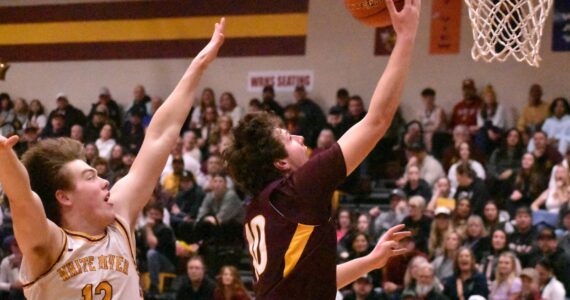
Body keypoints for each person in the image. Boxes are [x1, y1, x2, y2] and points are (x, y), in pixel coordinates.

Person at [0, 19, 226, 299]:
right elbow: (21, 197)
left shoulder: (119, 218)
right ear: (64, 197)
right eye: (90, 177)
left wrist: (198, 66)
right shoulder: (48, 243)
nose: (106, 181)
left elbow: (159, 135)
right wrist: (3, 156)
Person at [223, 2, 420, 298]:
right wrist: (405, 37)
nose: (301, 138)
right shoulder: (297, 189)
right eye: (289, 139)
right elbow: (377, 121)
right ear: (280, 162)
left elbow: (312, 281)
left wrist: (370, 261)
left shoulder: (259, 210)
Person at [143, 203, 176, 295]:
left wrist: (148, 228)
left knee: (151, 253)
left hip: (167, 264)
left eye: (156, 214)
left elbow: (153, 246)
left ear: (161, 216)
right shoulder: (143, 229)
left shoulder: (165, 230)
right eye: (151, 214)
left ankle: (154, 286)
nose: (153, 216)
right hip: (149, 263)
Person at [417, 87, 447, 152]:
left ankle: (430, 155)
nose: (428, 100)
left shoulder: (439, 110)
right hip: (425, 132)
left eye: (430, 97)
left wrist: (424, 129)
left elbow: (436, 127)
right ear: (422, 98)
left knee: (429, 136)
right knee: (409, 136)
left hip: (438, 133)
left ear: (434, 98)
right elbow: (418, 125)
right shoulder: (420, 112)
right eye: (425, 98)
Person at [0, 236, 24, 300]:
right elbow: (1, 283)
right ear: (11, 247)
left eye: (21, 244)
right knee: (15, 294)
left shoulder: (32, 259)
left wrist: (20, 264)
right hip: (15, 293)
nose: (19, 248)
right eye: (16, 245)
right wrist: (11, 286)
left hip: (32, 291)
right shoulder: (6, 261)